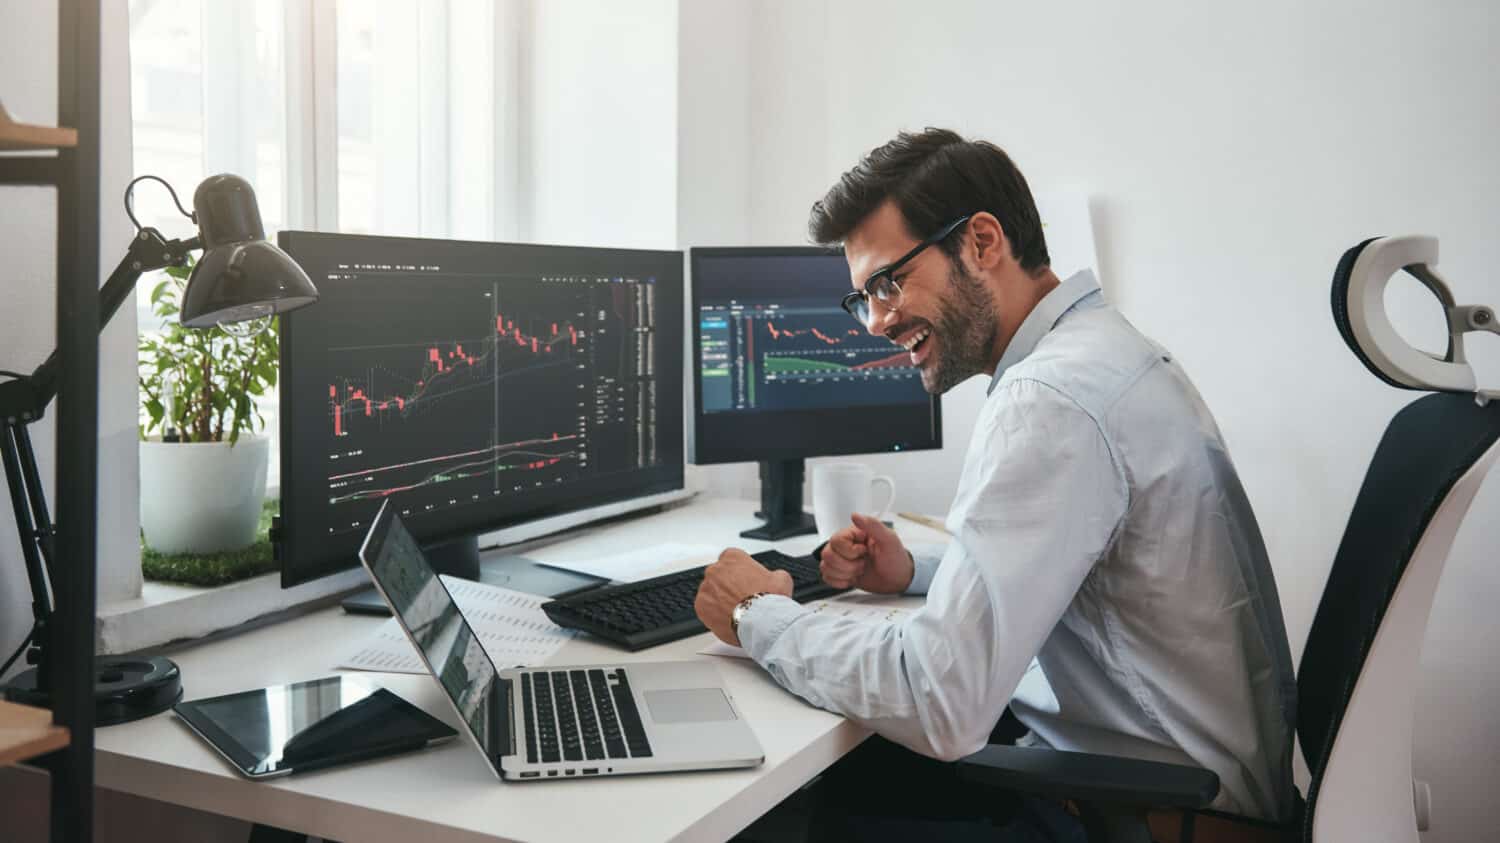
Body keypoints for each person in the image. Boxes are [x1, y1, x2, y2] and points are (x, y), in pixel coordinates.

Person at [694, 128, 1298, 842]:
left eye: (889, 282)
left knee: (779, 814)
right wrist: (916, 570)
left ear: (982, 242)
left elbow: (940, 699)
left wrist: (757, 615)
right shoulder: (1105, 353)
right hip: (1191, 790)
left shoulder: (1049, 399)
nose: (879, 322)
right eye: (863, 299)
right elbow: (1085, 561)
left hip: (1149, 817)